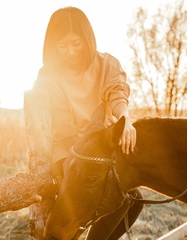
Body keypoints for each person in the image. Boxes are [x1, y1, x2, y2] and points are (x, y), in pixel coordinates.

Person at [33, 6, 143, 239]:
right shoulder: (48, 75)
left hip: (95, 150)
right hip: (66, 151)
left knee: (134, 198)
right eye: (63, 46)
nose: (71, 51)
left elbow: (117, 92)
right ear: (52, 45)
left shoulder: (106, 64)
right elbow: (60, 127)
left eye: (76, 43)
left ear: (88, 38)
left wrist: (125, 118)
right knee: (82, 205)